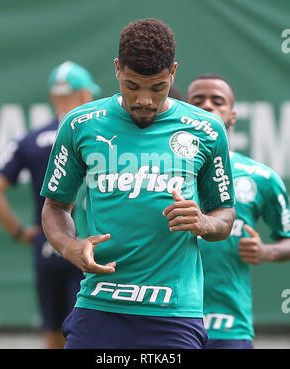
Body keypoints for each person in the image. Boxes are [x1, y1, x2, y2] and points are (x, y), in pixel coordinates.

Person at [40, 18, 235, 349]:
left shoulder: (207, 129)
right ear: (117, 69)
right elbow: (56, 206)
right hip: (99, 304)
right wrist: (69, 245)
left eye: (157, 87)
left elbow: (225, 215)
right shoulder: (80, 125)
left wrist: (203, 222)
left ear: (173, 72)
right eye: (132, 86)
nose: (144, 99)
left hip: (174, 312)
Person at [0, 61, 101, 349]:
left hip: (47, 247)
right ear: (86, 96)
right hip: (88, 250)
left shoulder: (29, 140)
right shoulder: (97, 138)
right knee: (89, 335)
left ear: (53, 97)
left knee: (52, 334)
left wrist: (20, 232)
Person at [186, 73, 290, 349]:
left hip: (229, 325)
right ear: (184, 111)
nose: (207, 105)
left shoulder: (261, 177)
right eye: (198, 100)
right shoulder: (160, 172)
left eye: (217, 101)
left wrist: (265, 251)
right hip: (172, 318)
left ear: (232, 116)